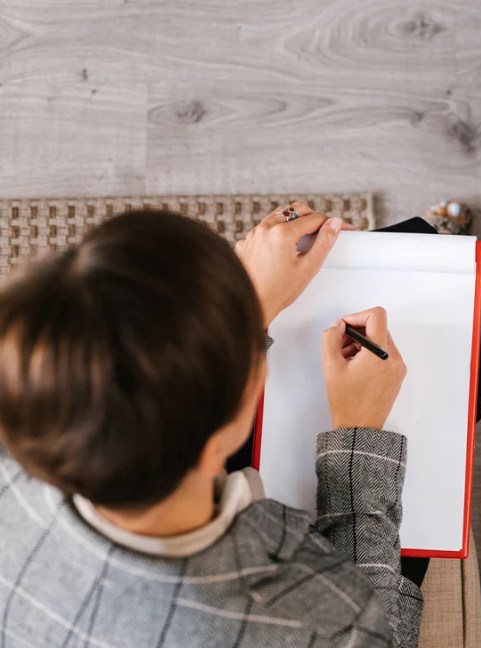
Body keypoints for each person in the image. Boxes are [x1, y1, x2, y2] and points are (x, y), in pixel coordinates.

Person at [0, 203, 445, 647]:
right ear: (242, 402)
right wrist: (358, 443)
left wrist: (238, 315)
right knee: (435, 264)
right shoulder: (327, 623)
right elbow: (384, 634)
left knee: (417, 235)